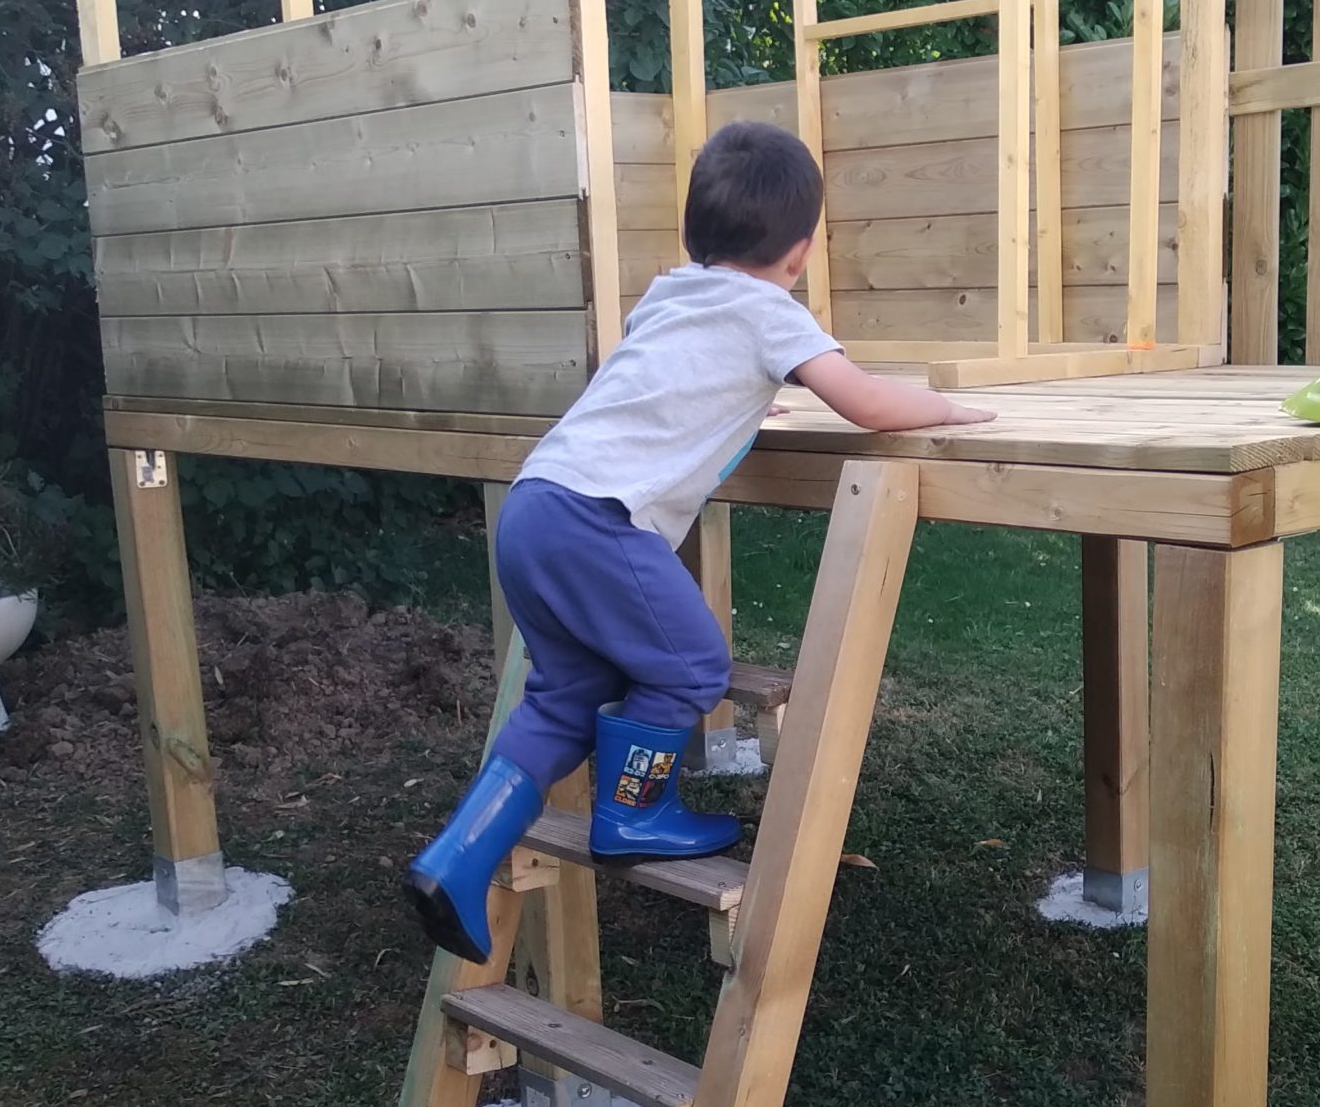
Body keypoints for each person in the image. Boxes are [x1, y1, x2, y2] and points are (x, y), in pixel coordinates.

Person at [406, 120, 995, 958]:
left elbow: (678, 384)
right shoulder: (769, 312)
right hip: (596, 521)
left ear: (691, 235)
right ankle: (636, 811)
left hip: (536, 506)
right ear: (801, 252)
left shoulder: (669, 295)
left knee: (567, 695)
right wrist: (946, 406)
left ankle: (456, 858)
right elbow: (865, 402)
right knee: (690, 666)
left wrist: (752, 398)